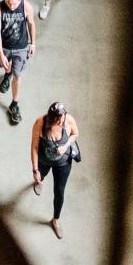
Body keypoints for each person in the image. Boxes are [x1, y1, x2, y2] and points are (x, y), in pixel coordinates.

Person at [31, 101, 81, 238]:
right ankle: (39, 181)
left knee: (59, 192)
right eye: (57, 121)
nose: (61, 123)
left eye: (62, 119)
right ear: (51, 119)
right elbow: (34, 147)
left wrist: (65, 147)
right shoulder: (40, 123)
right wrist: (35, 170)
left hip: (63, 163)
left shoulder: (68, 119)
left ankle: (55, 220)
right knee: (40, 177)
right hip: (44, 160)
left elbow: (75, 134)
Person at [0, 0, 35, 125]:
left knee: (18, 75)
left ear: (20, 0)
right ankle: (7, 74)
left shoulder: (26, 6)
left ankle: (14, 104)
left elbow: (31, 24)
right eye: (10, 3)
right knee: (5, 66)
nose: (12, 6)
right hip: (5, 46)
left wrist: (32, 43)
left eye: (15, 4)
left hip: (20, 48)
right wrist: (1, 54)